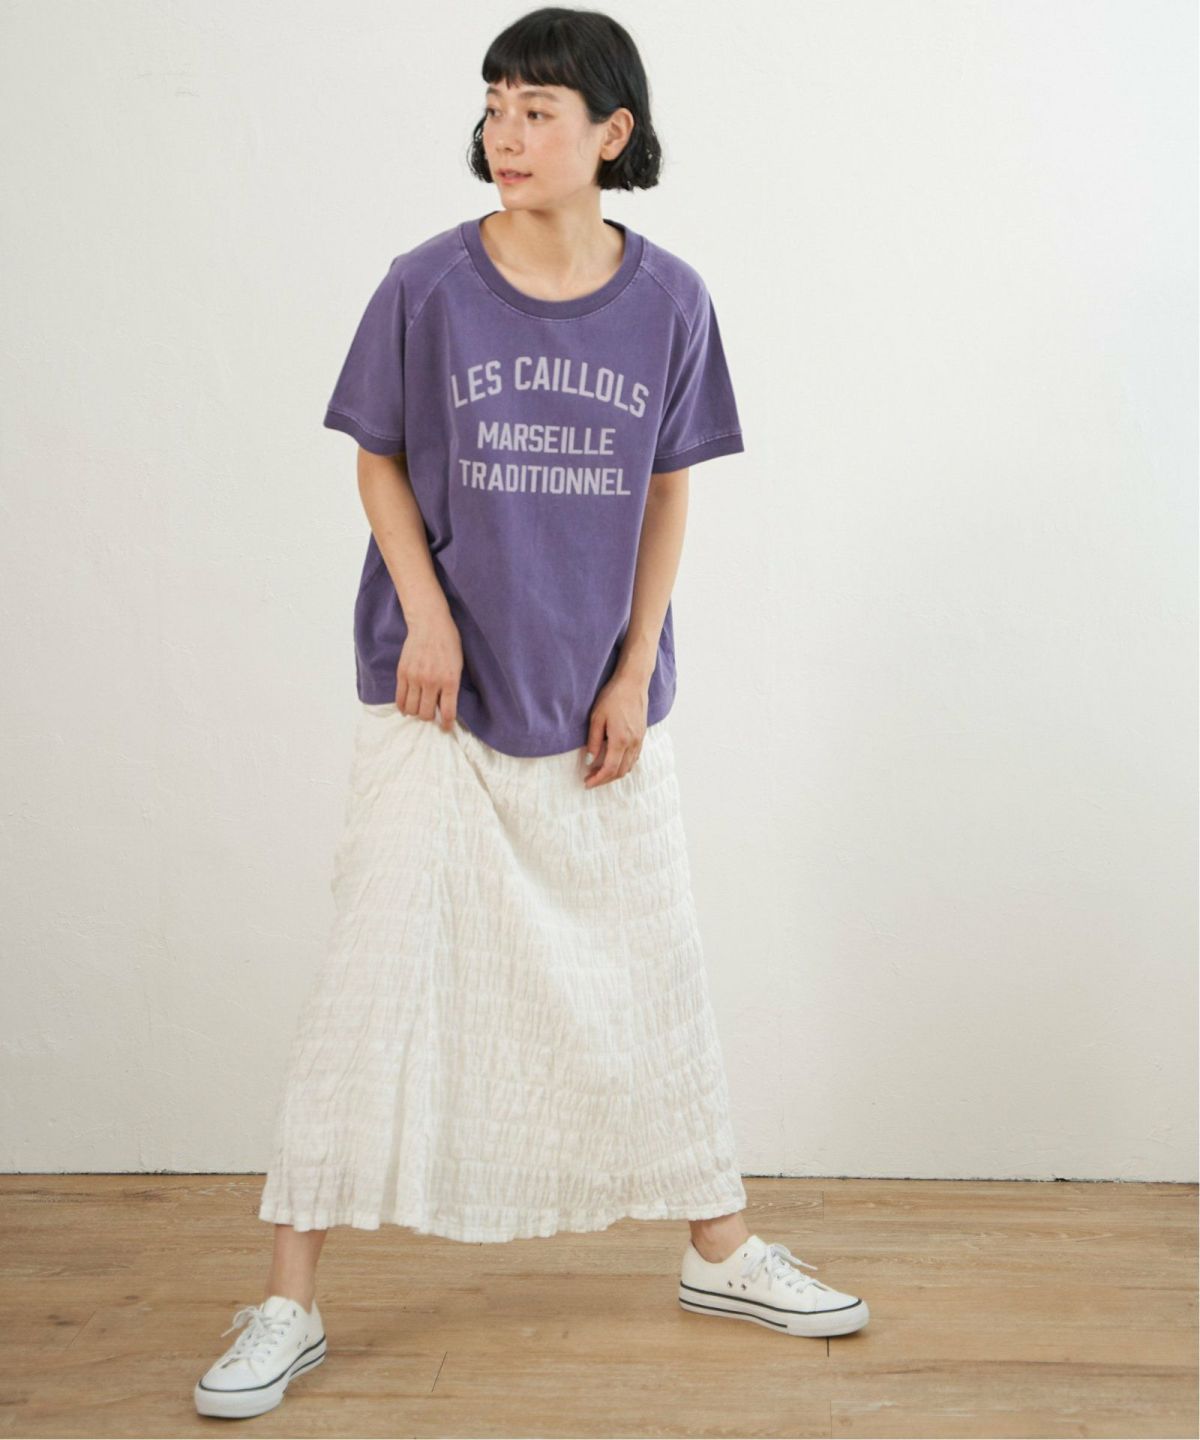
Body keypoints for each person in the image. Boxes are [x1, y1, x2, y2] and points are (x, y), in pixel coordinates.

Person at [194, 5, 868, 1420]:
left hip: (600, 702)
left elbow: (671, 486)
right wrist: (428, 612)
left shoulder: (671, 301)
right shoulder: (426, 286)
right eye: (496, 104)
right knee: (367, 985)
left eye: (538, 110)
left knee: (654, 972)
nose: (506, 132)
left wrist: (635, 664)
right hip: (437, 701)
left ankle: (720, 1250)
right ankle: (286, 1303)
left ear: (611, 133)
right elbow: (377, 458)